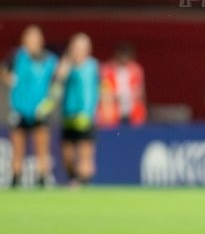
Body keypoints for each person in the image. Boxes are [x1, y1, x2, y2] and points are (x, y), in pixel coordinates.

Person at [1, 25, 57, 187]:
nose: (31, 41)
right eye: (28, 38)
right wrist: (7, 77)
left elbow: (57, 83)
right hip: (19, 108)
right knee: (18, 148)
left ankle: (42, 177)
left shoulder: (50, 60)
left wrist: (49, 103)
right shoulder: (16, 56)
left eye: (35, 38)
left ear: (41, 40)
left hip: (40, 110)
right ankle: (16, 177)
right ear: (24, 41)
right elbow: (3, 71)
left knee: (42, 147)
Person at [55, 33, 100, 186]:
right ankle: (74, 178)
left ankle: (82, 181)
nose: (78, 50)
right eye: (75, 47)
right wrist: (66, 64)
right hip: (68, 114)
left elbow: (96, 91)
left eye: (81, 47)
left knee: (84, 151)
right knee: (67, 154)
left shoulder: (92, 66)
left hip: (85, 115)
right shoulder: (67, 65)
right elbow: (57, 80)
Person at [96, 42, 146, 128]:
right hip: (112, 114)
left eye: (127, 55)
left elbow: (140, 92)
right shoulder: (106, 70)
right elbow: (104, 92)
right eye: (122, 54)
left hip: (133, 114)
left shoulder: (136, 69)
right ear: (117, 54)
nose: (124, 59)